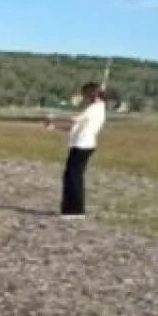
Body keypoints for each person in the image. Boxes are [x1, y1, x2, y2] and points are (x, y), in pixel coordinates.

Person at [45, 82, 106, 217]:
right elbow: (74, 128)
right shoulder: (93, 109)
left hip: (82, 146)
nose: (83, 97)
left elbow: (75, 119)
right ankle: (72, 210)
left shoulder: (96, 108)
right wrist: (53, 127)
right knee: (71, 177)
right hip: (80, 145)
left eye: (84, 94)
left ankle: (74, 211)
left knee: (73, 177)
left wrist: (54, 116)